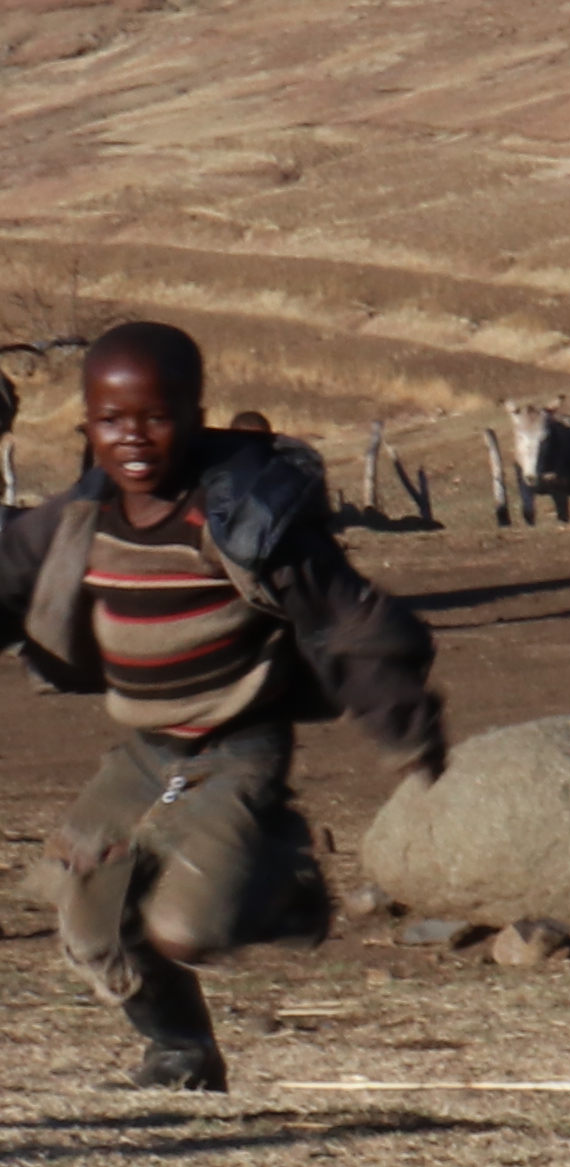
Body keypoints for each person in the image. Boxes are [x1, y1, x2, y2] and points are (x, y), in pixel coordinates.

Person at [8, 321, 446, 1089]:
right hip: (147, 755)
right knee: (91, 922)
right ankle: (181, 1053)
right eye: (111, 420)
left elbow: (348, 618)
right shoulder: (79, 522)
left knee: (184, 928)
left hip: (238, 749)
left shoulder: (239, 524)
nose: (133, 438)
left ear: (195, 412)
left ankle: (281, 884)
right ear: (85, 426)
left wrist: (404, 725)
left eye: (156, 415)